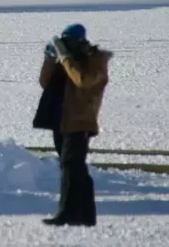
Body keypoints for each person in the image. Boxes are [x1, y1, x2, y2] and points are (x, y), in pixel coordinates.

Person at [32, 23, 112, 227]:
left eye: (68, 41)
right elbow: (45, 83)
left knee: (72, 167)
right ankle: (84, 214)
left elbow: (82, 80)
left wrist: (66, 57)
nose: (65, 46)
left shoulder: (95, 61)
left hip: (79, 121)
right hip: (60, 121)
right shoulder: (67, 61)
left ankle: (68, 213)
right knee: (72, 168)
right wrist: (50, 58)